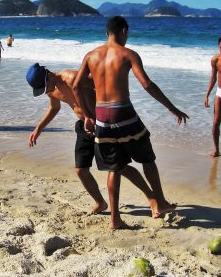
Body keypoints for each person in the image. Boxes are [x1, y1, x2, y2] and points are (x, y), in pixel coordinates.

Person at [73, 16, 189, 229]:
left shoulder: (90, 56)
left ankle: (115, 219)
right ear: (124, 31)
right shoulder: (128, 54)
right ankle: (160, 202)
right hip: (123, 112)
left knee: (114, 167)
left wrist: (88, 116)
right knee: (147, 158)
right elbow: (146, 84)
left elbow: (76, 86)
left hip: (102, 116)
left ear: (106, 32)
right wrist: (172, 108)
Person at [26, 63, 157, 215]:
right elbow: (54, 108)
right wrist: (38, 128)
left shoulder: (72, 78)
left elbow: (102, 85)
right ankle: (100, 203)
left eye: (44, 87)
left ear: (48, 75)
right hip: (84, 126)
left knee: (118, 167)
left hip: (101, 124)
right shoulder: (51, 90)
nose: (46, 91)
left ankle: (151, 197)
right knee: (81, 170)